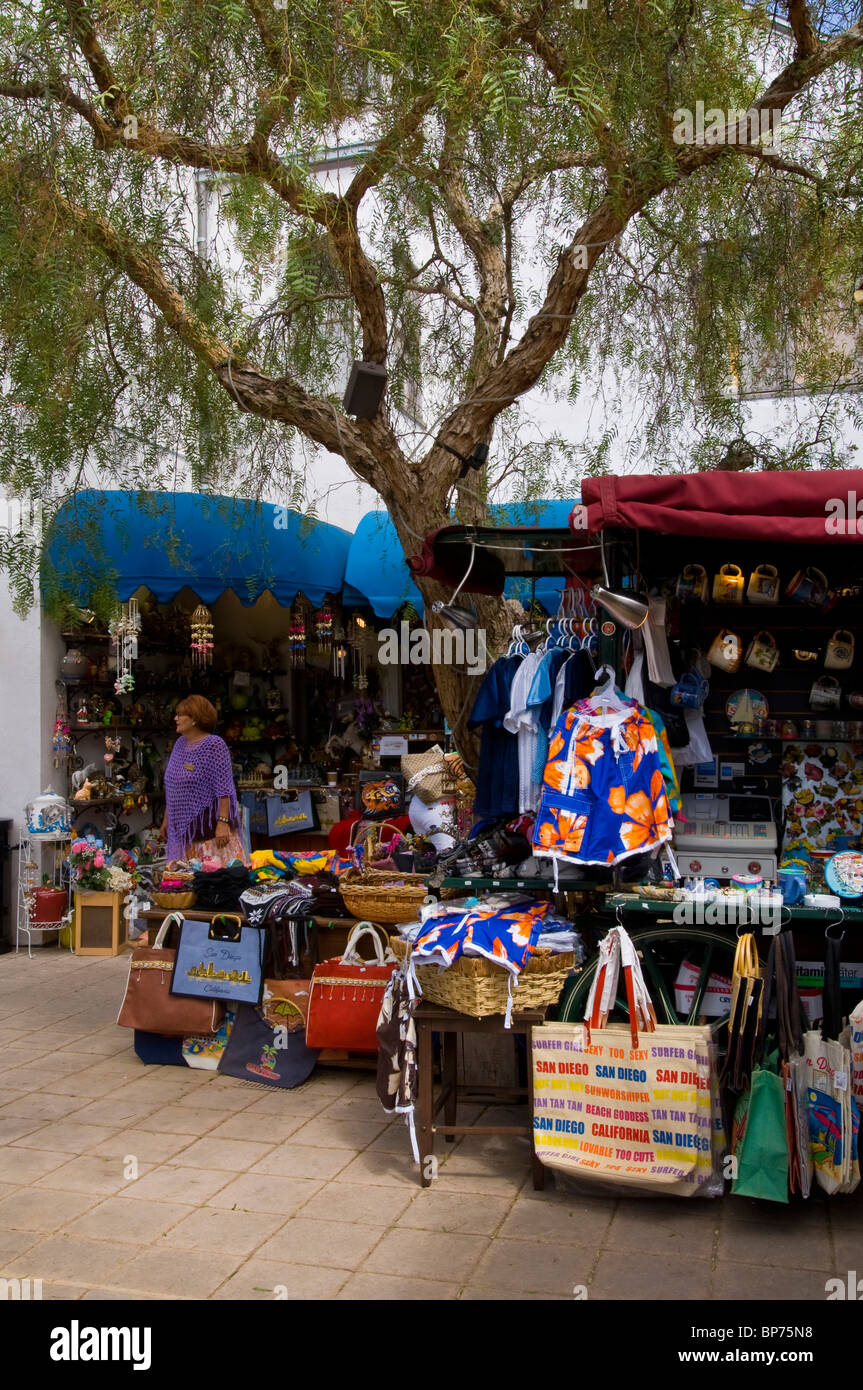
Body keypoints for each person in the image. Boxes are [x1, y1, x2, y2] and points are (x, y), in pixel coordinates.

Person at [159, 695, 248, 865]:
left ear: (194, 719)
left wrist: (223, 823)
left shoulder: (214, 745)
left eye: (180, 715)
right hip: (185, 834)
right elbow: (173, 787)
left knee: (214, 882)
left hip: (210, 832)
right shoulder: (179, 745)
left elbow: (224, 788)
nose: (175, 718)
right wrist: (167, 819)